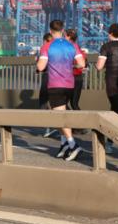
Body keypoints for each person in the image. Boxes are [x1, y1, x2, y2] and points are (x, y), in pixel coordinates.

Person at [36, 20, 85, 161]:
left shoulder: (47, 46)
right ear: (63, 30)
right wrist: (70, 65)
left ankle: (73, 145)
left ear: (50, 31)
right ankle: (64, 144)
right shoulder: (72, 45)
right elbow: (81, 64)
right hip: (70, 84)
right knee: (59, 115)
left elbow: (40, 67)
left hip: (55, 84)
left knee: (59, 116)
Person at [37, 32, 55, 136]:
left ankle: (48, 127)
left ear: (45, 40)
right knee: (56, 103)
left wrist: (37, 62)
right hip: (60, 78)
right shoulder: (57, 48)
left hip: (48, 76)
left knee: (43, 101)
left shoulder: (45, 48)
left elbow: (41, 67)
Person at [65, 28, 86, 111]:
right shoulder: (79, 49)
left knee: (62, 103)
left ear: (68, 37)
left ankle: (70, 118)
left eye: (65, 36)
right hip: (78, 78)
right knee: (74, 104)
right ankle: (79, 119)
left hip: (69, 78)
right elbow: (83, 64)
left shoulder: (68, 47)